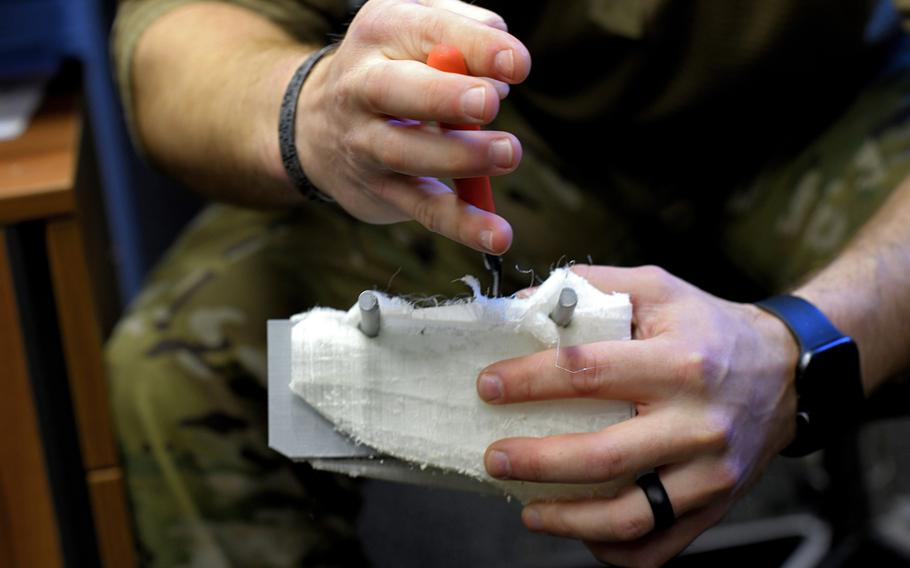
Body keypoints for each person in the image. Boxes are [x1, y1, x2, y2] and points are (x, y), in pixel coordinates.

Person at [109, 0, 910, 565]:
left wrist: (804, 348)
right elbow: (176, 42)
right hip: (523, 141)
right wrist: (309, 108)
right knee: (179, 366)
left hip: (827, 112)